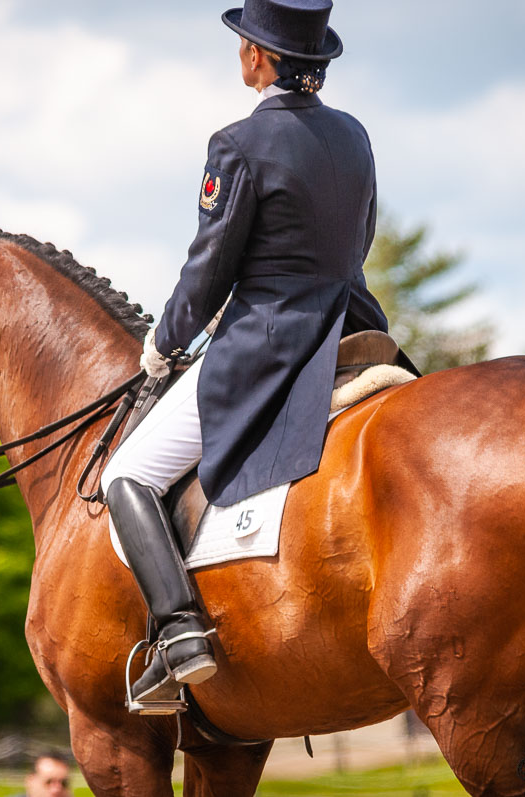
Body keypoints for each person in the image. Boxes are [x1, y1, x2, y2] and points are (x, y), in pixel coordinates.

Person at [100, 0, 388, 705]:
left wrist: (164, 345)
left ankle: (178, 633)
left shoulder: (237, 145)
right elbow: (360, 241)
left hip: (264, 346)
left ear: (261, 58)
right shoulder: (354, 136)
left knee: (126, 474)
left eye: (243, 44)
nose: (238, 54)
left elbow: (209, 269)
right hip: (349, 326)